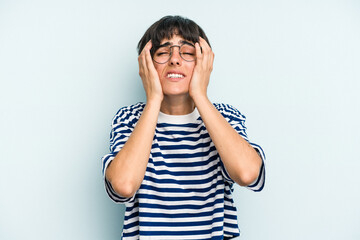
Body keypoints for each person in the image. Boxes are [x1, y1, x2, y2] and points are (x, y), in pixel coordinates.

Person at [102, 15, 266, 240]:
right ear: (146, 65)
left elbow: (248, 173)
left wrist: (199, 94)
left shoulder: (225, 116)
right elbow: (123, 185)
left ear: (204, 63)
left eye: (188, 53)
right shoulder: (129, 118)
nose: (175, 60)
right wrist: (153, 101)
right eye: (162, 53)